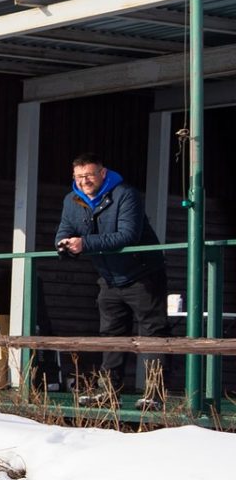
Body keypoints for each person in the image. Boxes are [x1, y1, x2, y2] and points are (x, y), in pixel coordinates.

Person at [55, 153, 172, 404]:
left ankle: (155, 395)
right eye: (79, 176)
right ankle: (109, 391)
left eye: (89, 175)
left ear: (103, 173)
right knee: (110, 334)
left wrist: (84, 244)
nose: (84, 181)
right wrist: (63, 242)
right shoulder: (72, 199)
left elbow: (127, 235)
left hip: (142, 275)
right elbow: (66, 227)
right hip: (108, 278)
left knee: (152, 333)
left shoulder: (125, 194)